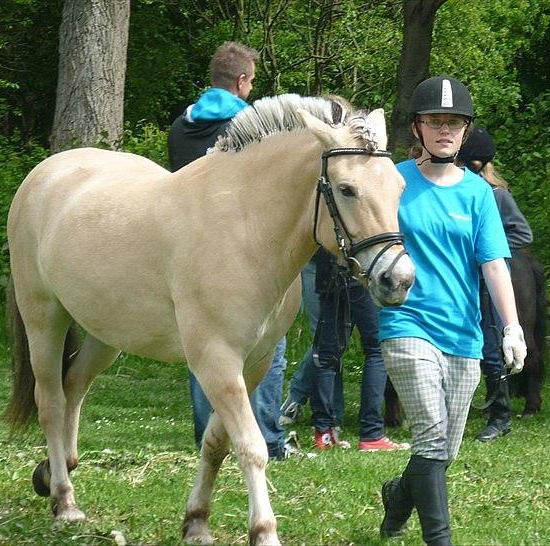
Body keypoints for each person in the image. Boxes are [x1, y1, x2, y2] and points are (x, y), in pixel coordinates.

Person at [377, 76, 527, 545]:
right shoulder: (393, 181)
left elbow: (494, 264)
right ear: (418, 128)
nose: (446, 130)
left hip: (463, 335)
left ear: (465, 131)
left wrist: (512, 327)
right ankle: (439, 539)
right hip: (406, 323)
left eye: (455, 123)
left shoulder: (479, 194)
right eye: (436, 121)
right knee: (431, 435)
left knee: (443, 451)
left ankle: (398, 495)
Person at [167, 41, 294, 460]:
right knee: (269, 345)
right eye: (252, 82)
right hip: (244, 254)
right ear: (241, 81)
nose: (252, 90)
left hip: (191, 252)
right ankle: (269, 440)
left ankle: (208, 437)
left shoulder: (180, 125)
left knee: (204, 348)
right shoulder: (253, 128)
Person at [456, 127, 534, 442]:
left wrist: (488, 249)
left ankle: (501, 415)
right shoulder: (457, 189)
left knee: (491, 347)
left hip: (485, 283)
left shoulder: (496, 194)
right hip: (457, 281)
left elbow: (523, 234)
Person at [309, 249, 410, 451]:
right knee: (376, 351)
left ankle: (324, 432)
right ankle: (372, 433)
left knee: (327, 355)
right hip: (362, 275)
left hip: (328, 272)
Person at [279, 254, 346, 427]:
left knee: (333, 339)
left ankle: (332, 411)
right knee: (327, 337)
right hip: (319, 264)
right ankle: (297, 399)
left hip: (347, 264)